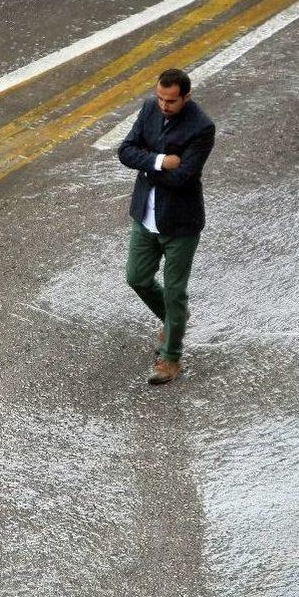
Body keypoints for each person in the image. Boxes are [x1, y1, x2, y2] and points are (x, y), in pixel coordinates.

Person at [118, 68, 215, 385]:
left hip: (180, 225)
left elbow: (184, 176)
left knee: (174, 292)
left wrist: (145, 164)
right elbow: (125, 151)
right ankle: (175, 321)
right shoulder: (149, 108)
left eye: (171, 101)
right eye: (160, 97)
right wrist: (159, 161)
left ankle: (170, 358)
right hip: (145, 217)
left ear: (186, 97)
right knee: (137, 277)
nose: (163, 105)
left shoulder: (202, 128)